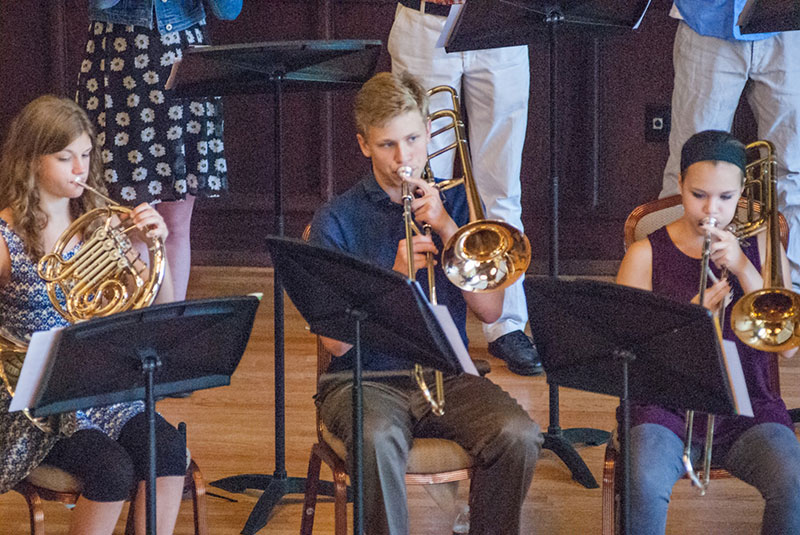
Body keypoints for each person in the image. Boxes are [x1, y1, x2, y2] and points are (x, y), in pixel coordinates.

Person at [308, 71, 542, 535]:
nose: (404, 158)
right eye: (387, 145)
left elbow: (492, 311)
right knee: (377, 439)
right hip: (363, 379)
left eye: (413, 139)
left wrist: (449, 230)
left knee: (518, 435)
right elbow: (335, 343)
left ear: (429, 132)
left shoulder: (454, 205)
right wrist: (394, 276)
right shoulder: (336, 219)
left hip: (448, 376)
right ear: (364, 145)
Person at [0, 95, 187, 535]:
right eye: (65, 158)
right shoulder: (5, 239)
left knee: (169, 450)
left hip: (102, 385)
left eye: (86, 155)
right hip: (38, 401)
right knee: (111, 470)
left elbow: (161, 311)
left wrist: (156, 248)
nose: (80, 169)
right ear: (31, 161)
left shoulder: (101, 226)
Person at [619, 130, 800, 533]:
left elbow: (787, 347)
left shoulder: (763, 246)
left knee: (794, 481)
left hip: (749, 407)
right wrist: (690, 321)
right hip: (664, 408)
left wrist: (743, 267)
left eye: (725, 197)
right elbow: (627, 356)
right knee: (644, 480)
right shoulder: (645, 254)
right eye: (698, 194)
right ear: (680, 184)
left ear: (742, 193)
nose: (711, 209)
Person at [386, 0, 542, 375]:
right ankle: (428, 325)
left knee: (502, 189)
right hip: (425, 19)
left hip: (501, 20)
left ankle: (507, 325)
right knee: (423, 186)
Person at [76, 0, 243, 300]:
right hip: (123, 57)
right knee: (134, 224)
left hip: (184, 54)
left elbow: (228, 11)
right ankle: (141, 323)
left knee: (176, 225)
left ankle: (172, 325)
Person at [660, 0, 800, 291]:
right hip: (708, 18)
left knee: (794, 170)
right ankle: (680, 291)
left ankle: (789, 296)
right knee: (690, 169)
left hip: (789, 27)